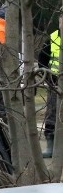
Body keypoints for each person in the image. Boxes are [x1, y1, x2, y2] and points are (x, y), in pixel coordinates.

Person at [40, 21, 61, 158]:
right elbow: (42, 60)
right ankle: (50, 146)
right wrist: (48, 78)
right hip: (55, 85)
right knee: (52, 115)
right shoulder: (53, 38)